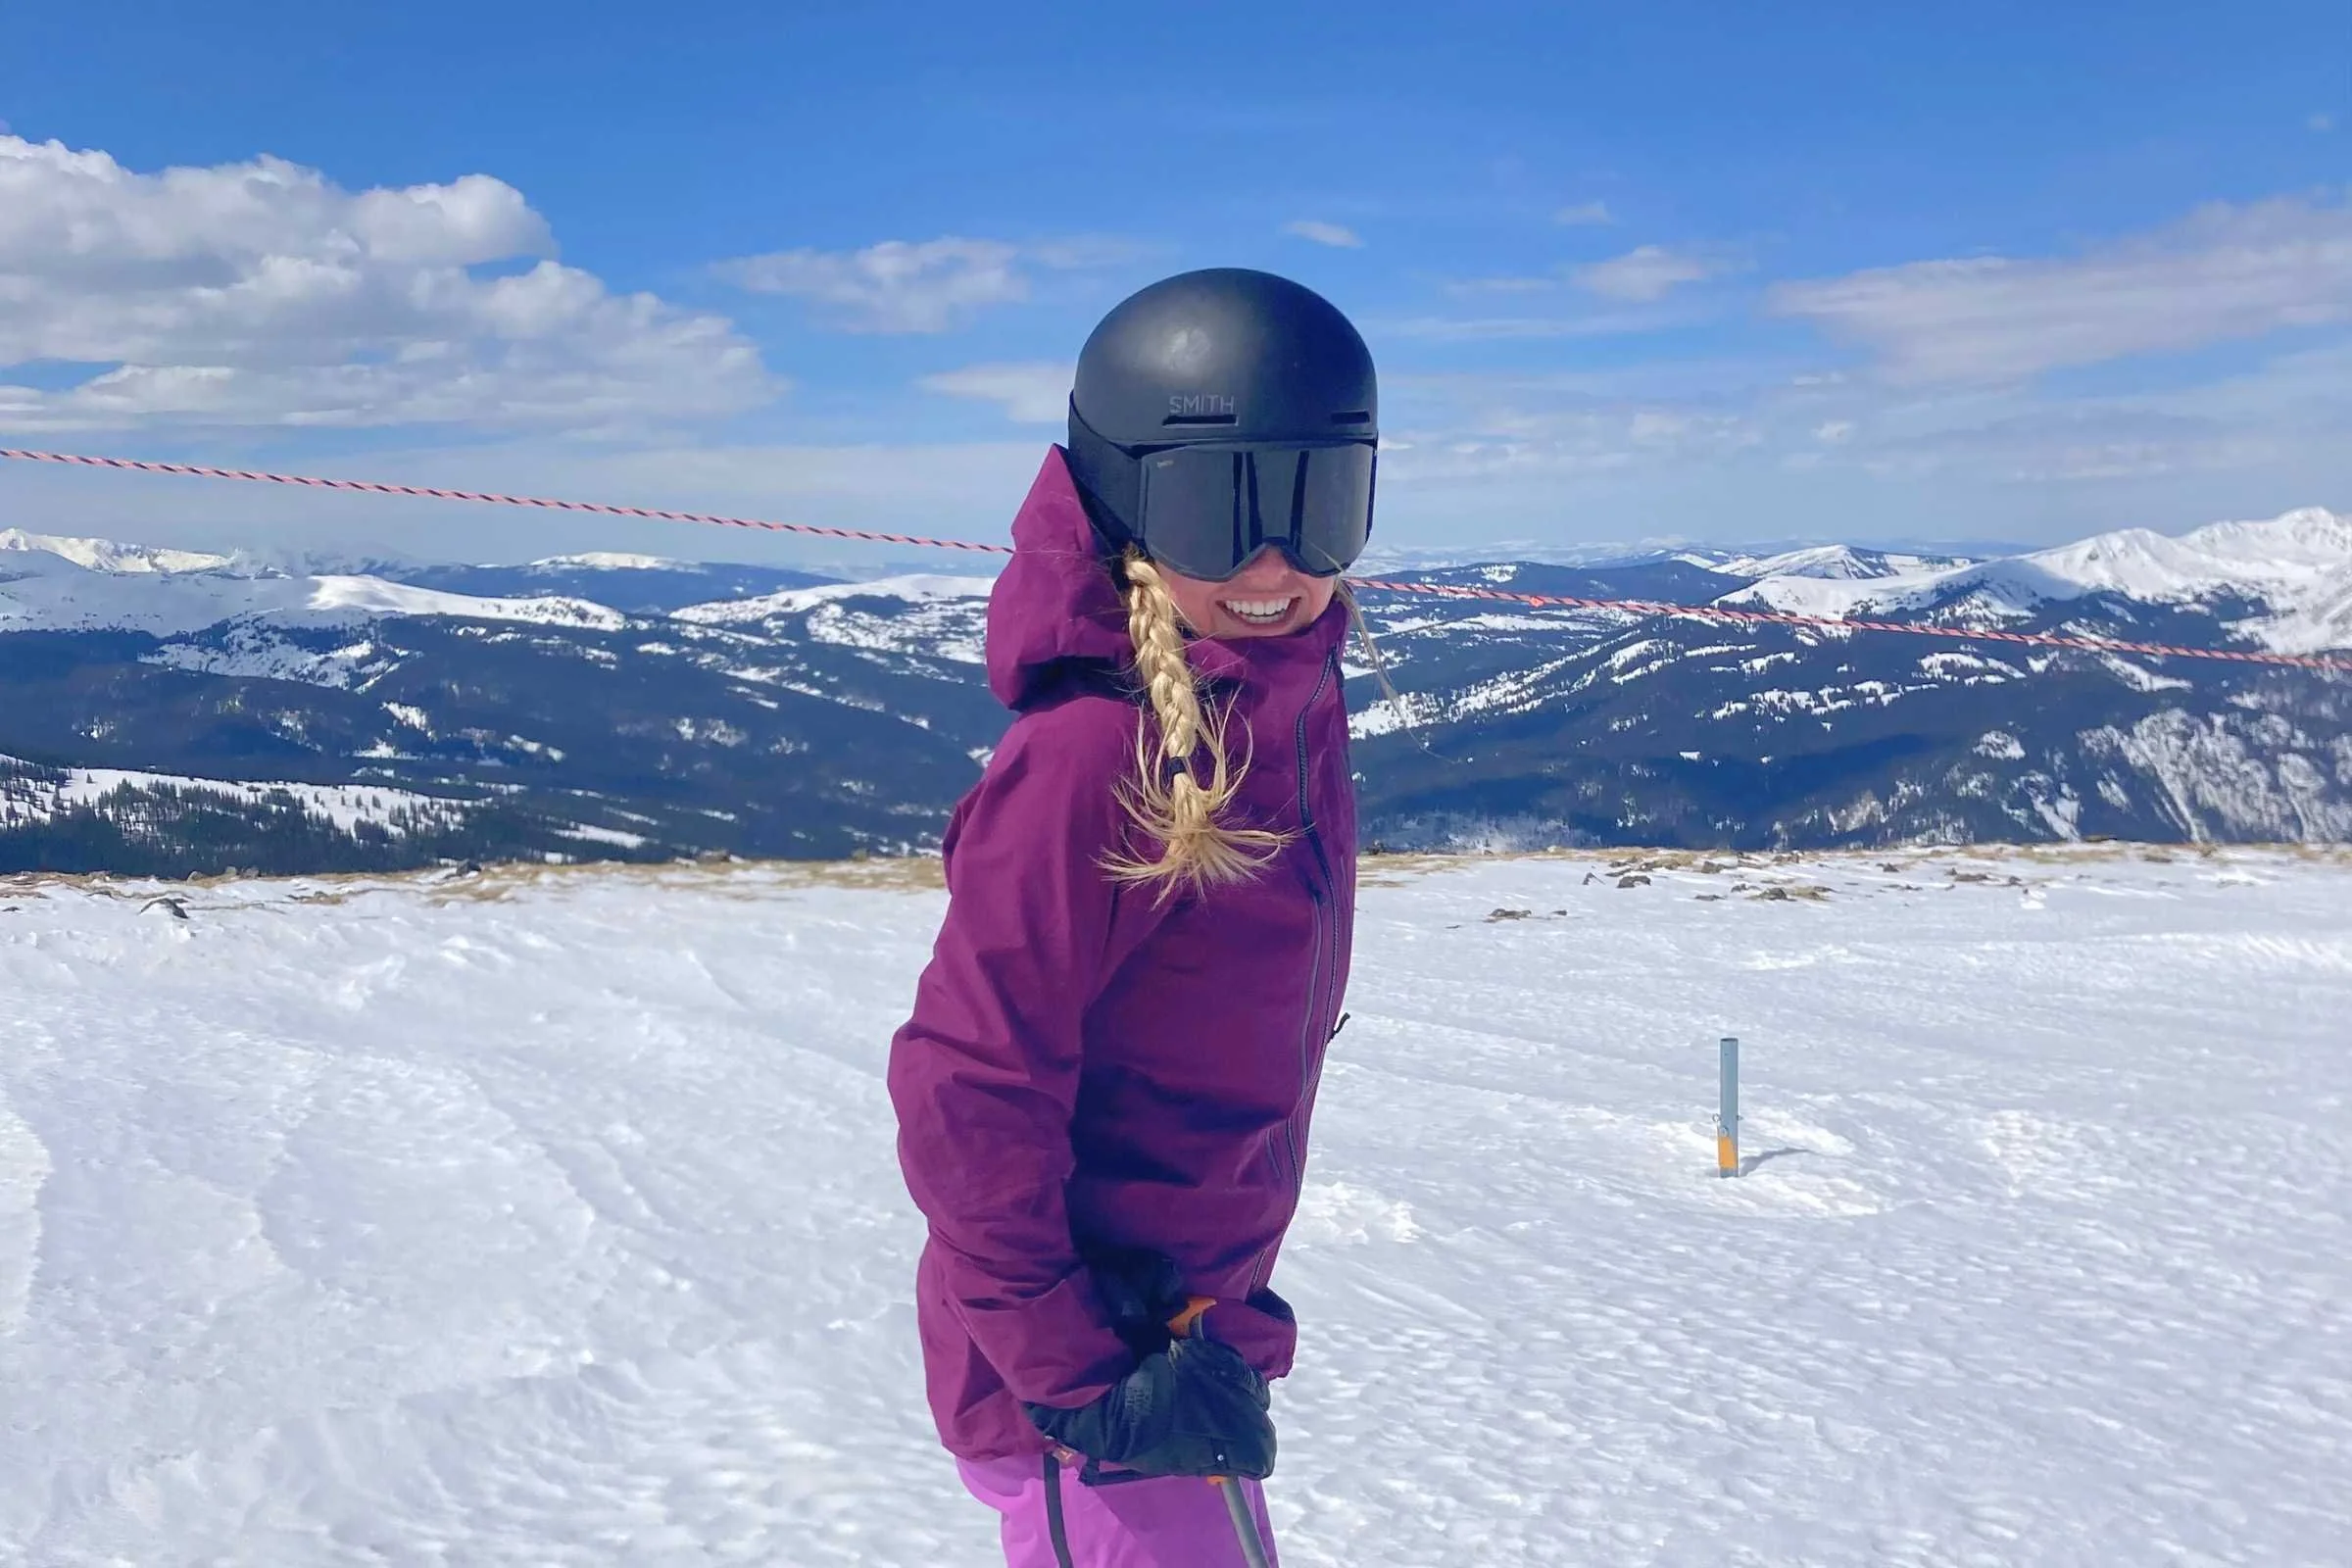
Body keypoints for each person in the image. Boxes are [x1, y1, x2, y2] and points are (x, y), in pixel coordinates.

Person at [887, 267, 1379, 1568]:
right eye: (1220, 510)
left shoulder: (1283, 696)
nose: (1275, 560)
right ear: (1126, 504)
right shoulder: (1094, 752)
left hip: (1182, 1338)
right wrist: (1081, 1375)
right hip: (1092, 1391)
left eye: (1319, 500)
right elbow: (967, 1084)